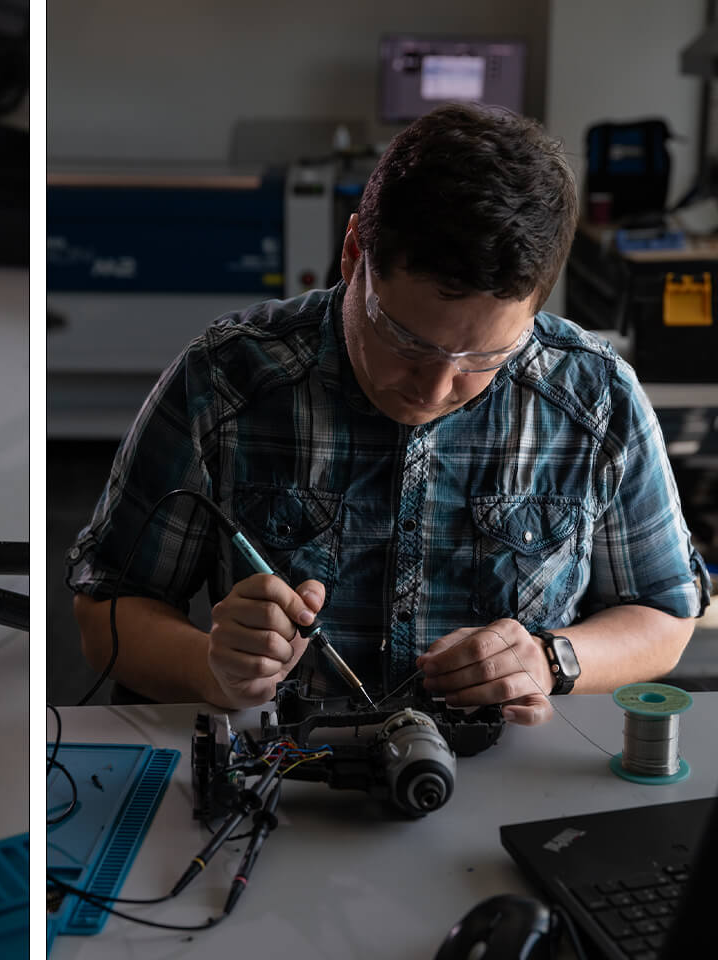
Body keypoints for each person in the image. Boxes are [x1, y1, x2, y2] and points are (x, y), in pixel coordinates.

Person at [65, 103, 709, 725]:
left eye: (482, 355)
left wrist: (549, 660)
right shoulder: (228, 380)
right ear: (353, 256)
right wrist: (213, 667)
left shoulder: (594, 397)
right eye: (407, 341)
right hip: (284, 778)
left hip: (501, 781)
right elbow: (108, 609)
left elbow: (665, 615)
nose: (434, 388)